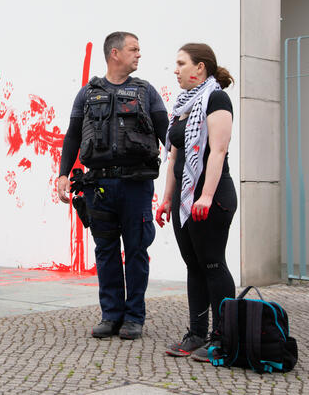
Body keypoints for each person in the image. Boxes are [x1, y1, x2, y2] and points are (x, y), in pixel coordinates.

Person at [57, 31, 168, 340]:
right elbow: (73, 136)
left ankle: (134, 317)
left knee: (135, 251)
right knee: (105, 252)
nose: (139, 55)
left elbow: (167, 134)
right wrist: (63, 173)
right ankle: (111, 315)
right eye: (134, 49)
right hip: (100, 185)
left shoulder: (146, 92)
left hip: (136, 185)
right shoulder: (86, 94)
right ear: (115, 54)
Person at [155, 42, 237, 362]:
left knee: (213, 264)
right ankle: (196, 334)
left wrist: (205, 195)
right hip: (185, 199)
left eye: (181, 63)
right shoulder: (183, 105)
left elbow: (217, 150)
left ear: (199, 67)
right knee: (194, 265)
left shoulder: (216, 98)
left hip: (211, 197)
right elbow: (175, 155)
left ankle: (223, 338)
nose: (175, 70)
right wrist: (166, 199)